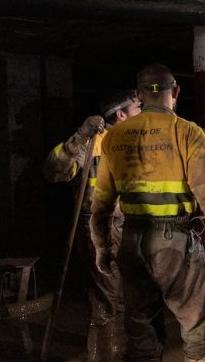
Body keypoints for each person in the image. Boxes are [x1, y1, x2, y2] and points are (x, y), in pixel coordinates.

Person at [89, 63, 205, 362]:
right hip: (175, 243)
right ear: (175, 91)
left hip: (132, 240)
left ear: (139, 95)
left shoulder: (114, 137)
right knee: (198, 329)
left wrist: (101, 246)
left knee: (142, 334)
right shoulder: (186, 132)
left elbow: (100, 204)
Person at [43, 90, 141, 361]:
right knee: (107, 298)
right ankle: (105, 353)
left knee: (125, 295)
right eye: (137, 108)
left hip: (131, 226)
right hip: (101, 228)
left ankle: (114, 351)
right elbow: (53, 172)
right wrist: (80, 135)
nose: (142, 113)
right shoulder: (92, 143)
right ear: (120, 114)